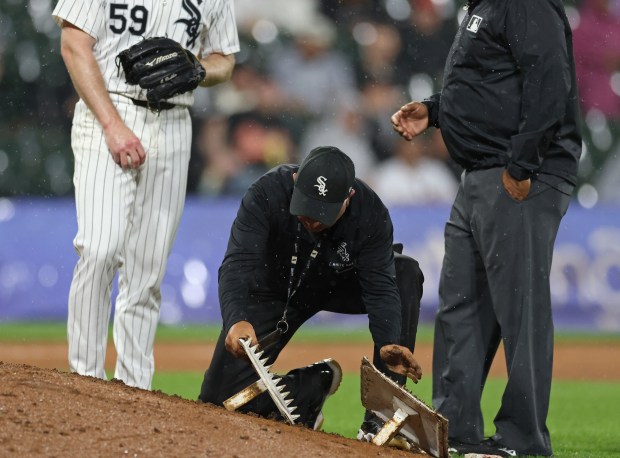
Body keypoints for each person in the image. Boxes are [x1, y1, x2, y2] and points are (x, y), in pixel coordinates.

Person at [391, 0, 582, 456]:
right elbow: (490, 83)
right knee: (461, 305)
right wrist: (436, 111)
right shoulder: (486, 5)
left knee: (521, 309)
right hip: (480, 171)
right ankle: (453, 428)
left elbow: (550, 80)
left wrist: (522, 163)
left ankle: (522, 440)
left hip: (516, 174)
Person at [52, 0, 239, 390]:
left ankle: (135, 387)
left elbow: (224, 58)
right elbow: (73, 42)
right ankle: (85, 379)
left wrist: (201, 69)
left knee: (147, 270)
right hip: (109, 105)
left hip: (174, 121)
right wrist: (112, 124)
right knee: (100, 249)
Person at [198, 146, 424, 434]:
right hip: (276, 289)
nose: (313, 220)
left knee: (405, 272)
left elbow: (381, 289)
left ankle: (383, 419)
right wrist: (236, 318)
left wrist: (388, 341)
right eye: (306, 207)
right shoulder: (267, 192)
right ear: (295, 181)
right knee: (218, 400)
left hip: (340, 283)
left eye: (324, 212)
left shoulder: (370, 212)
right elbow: (238, 263)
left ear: (349, 197)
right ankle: (310, 389)